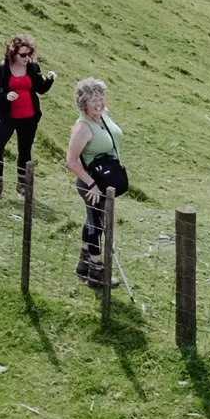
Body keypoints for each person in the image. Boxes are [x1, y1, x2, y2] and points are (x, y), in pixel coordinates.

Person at [63, 77, 127, 289]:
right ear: (83, 104)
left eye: (100, 98)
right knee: (96, 225)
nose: (98, 103)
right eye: (93, 100)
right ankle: (96, 273)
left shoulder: (103, 115)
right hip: (92, 185)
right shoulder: (82, 127)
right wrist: (91, 184)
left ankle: (83, 265)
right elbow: (71, 161)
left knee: (93, 220)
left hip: (104, 182)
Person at [0, 34, 56, 197]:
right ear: (13, 54)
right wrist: (5, 96)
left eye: (29, 54)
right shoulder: (1, 69)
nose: (27, 58)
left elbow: (40, 89)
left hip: (29, 117)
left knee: (25, 150)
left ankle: (22, 184)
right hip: (5, 116)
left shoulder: (33, 67)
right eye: (23, 54)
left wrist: (50, 80)